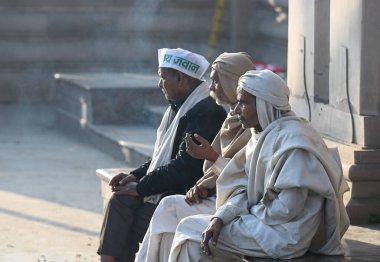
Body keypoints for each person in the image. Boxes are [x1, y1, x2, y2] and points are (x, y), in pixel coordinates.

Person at [168, 69, 350, 261]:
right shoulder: (262, 135)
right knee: (196, 238)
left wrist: (246, 213)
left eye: (243, 102)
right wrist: (220, 218)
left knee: (188, 228)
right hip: (263, 223)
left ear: (264, 104)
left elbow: (288, 209)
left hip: (284, 235)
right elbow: (245, 190)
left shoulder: (294, 142)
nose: (236, 109)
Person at [97, 48, 227, 262]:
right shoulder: (179, 107)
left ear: (180, 78)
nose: (159, 84)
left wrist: (141, 188)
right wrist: (136, 176)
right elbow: (162, 156)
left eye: (162, 77)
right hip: (168, 187)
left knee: (137, 218)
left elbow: (184, 167)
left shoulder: (206, 111)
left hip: (187, 193)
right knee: (119, 202)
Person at [135, 52, 256, 262]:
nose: (211, 87)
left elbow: (248, 178)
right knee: (168, 213)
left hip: (241, 206)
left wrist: (211, 157)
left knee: (171, 210)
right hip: (220, 196)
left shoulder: (253, 124)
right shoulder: (231, 119)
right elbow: (217, 172)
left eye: (216, 81)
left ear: (231, 83)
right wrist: (204, 186)